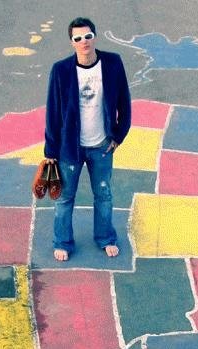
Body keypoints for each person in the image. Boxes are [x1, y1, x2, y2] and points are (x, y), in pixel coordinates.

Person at [44, 16, 131, 261]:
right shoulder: (61, 70)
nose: (84, 42)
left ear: (95, 36)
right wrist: (51, 151)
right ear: (72, 42)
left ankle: (106, 238)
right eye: (78, 38)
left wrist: (118, 135)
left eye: (88, 36)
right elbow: (53, 111)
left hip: (102, 146)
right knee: (64, 198)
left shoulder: (113, 63)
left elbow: (124, 102)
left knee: (103, 195)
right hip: (70, 148)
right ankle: (62, 242)